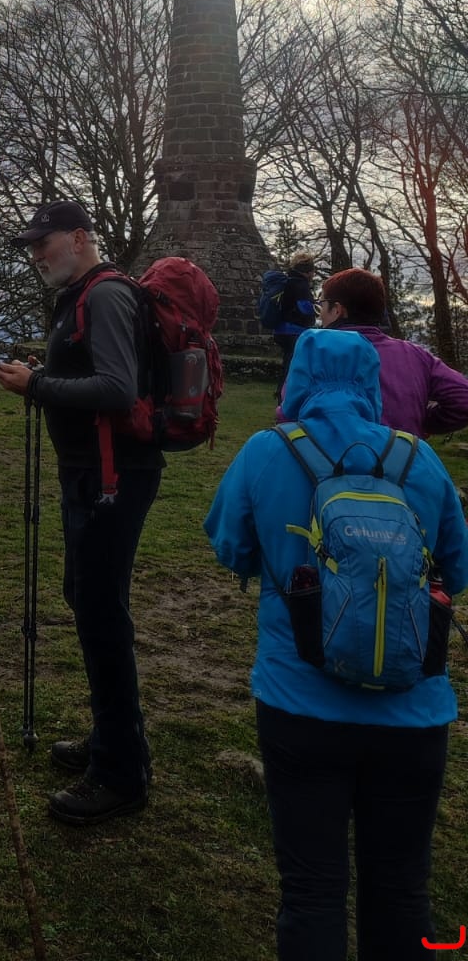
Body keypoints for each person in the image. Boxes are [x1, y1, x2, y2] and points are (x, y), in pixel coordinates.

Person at [205, 327, 468, 960]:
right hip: (413, 710)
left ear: (296, 380)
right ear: (372, 383)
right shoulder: (417, 456)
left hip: (300, 702)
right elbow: (456, 570)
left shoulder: (267, 452)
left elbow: (229, 544)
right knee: (401, 889)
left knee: (313, 890)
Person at [0, 201, 159, 826]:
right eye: (32, 245)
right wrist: (45, 376)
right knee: (90, 601)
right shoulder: (82, 295)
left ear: (80, 238)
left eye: (45, 242)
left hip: (112, 477)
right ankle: (112, 739)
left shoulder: (105, 295)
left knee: (100, 612)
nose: (37, 254)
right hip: (95, 473)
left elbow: (117, 388)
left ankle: (121, 773)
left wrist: (35, 386)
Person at [317, 267, 468, 440]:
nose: (319, 315)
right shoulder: (415, 355)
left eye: (321, 306)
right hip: (402, 454)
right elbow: (463, 400)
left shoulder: (315, 354)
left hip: (329, 455)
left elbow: (293, 415)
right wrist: (420, 422)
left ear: (337, 310)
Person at [272, 250, 318, 399]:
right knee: (293, 365)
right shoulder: (301, 285)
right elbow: (305, 309)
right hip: (294, 331)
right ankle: (285, 395)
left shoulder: (287, 281)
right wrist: (315, 314)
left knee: (287, 362)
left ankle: (281, 393)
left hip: (280, 330)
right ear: (308, 271)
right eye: (312, 271)